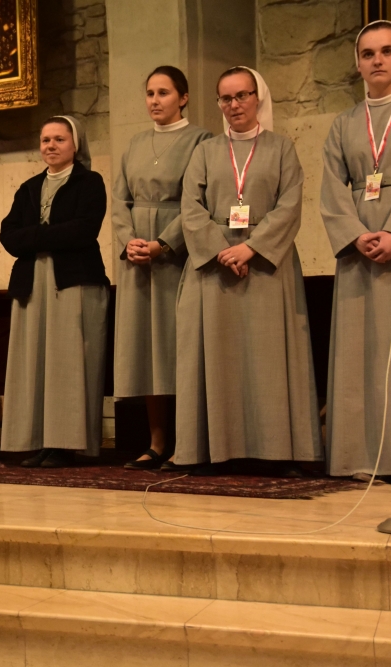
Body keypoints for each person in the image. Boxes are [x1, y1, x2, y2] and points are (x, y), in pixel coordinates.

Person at [172, 67, 321, 475]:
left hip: (267, 266)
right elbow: (190, 208)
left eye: (242, 96)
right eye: (226, 98)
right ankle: (215, 450)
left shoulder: (281, 148)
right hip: (215, 266)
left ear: (258, 98)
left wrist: (251, 248)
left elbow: (290, 204)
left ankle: (278, 451)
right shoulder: (205, 151)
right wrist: (223, 251)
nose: (234, 105)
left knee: (269, 360)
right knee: (219, 359)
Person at [322, 21, 391, 479]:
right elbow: (332, 186)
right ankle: (359, 455)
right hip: (359, 246)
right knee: (360, 352)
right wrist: (355, 234)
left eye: (387, 51)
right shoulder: (344, 123)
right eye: (368, 54)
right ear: (358, 63)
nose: (378, 60)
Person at [113, 66, 213, 470]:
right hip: (138, 258)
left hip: (175, 256)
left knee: (176, 347)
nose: (155, 100)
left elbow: (197, 203)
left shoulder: (201, 140)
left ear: (183, 98)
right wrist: (129, 241)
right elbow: (119, 200)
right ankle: (156, 440)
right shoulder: (136, 143)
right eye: (150, 93)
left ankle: (186, 441)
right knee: (147, 349)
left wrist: (163, 243)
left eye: (164, 93)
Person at [0, 116, 109, 468]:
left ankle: (66, 442)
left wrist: (35, 236)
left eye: (59, 139)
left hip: (74, 282)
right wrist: (48, 235)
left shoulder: (90, 182)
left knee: (67, 364)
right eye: (46, 139)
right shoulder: (29, 187)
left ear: (75, 145)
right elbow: (8, 236)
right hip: (33, 283)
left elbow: (84, 230)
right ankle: (37, 440)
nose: (51, 146)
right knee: (34, 363)